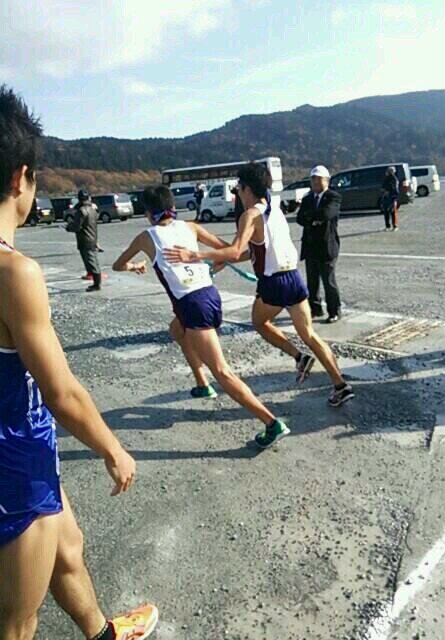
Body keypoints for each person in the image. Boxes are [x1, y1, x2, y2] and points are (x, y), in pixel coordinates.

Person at [0, 86, 157, 640]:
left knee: (68, 551)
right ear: (21, 178)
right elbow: (61, 390)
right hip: (13, 462)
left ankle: (104, 635)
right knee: (17, 620)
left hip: (26, 449)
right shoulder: (14, 274)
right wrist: (113, 447)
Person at [164, 163, 354, 421]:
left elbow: (234, 249)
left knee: (259, 322)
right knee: (308, 333)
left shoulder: (249, 215)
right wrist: (225, 260)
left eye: (238, 189)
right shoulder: (273, 209)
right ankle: (340, 384)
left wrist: (195, 254)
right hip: (293, 277)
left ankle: (298, 357)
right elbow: (253, 250)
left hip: (273, 283)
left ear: (245, 188)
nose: (237, 194)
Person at [112, 185, 289, 449]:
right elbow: (234, 252)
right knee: (176, 330)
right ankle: (201, 383)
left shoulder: (146, 237)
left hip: (192, 304)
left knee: (223, 371)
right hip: (210, 297)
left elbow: (117, 265)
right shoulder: (191, 227)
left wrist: (134, 265)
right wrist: (215, 260)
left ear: (148, 213)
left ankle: (271, 422)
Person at [297, 165, 342, 323]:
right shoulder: (308, 198)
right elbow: (300, 218)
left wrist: (313, 217)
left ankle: (334, 310)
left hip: (327, 246)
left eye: (318, 179)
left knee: (328, 281)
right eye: (313, 179)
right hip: (310, 246)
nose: (315, 182)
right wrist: (313, 219)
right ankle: (315, 309)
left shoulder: (333, 196)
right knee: (312, 282)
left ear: (327, 180)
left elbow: (326, 214)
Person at [66, 189, 102, 291]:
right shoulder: (92, 209)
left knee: (91, 262)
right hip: (93, 237)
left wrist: (69, 227)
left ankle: (97, 284)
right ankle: (96, 283)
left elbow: (77, 227)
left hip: (85, 239)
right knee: (93, 261)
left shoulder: (81, 211)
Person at [381, 166, 400, 231]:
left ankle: (395, 226)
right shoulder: (386, 178)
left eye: (390, 171)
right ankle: (387, 226)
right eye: (388, 171)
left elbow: (395, 190)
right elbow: (383, 186)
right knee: (386, 212)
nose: (388, 172)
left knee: (393, 211)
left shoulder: (394, 179)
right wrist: (384, 191)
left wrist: (389, 192)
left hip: (392, 197)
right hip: (386, 197)